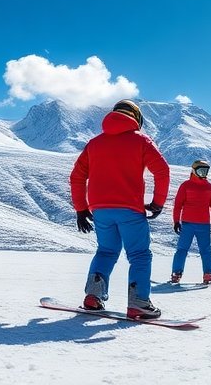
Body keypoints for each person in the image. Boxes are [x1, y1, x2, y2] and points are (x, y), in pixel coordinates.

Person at [70, 99, 170, 320]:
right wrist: (158, 203)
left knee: (106, 251)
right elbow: (162, 171)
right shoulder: (142, 141)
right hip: (130, 208)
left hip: (100, 211)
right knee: (139, 255)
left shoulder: (94, 144)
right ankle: (139, 303)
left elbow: (77, 177)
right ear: (136, 118)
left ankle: (93, 297)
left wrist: (81, 208)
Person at [170, 160, 211, 283]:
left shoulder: (209, 187)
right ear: (194, 170)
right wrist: (176, 221)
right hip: (188, 224)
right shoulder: (185, 186)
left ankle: (208, 274)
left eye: (205, 171)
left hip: (203, 224)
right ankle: (176, 273)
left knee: (206, 250)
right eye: (201, 171)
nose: (203, 173)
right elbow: (178, 205)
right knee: (182, 249)